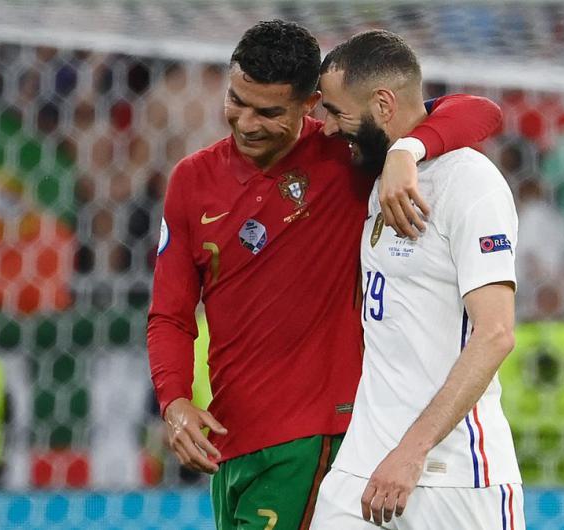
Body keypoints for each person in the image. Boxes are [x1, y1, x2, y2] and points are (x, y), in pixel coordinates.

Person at [147, 20, 503, 530]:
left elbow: (480, 112)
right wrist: (176, 400)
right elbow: (169, 315)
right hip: (232, 439)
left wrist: (408, 150)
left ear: (309, 104)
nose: (245, 123)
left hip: (316, 439)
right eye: (236, 101)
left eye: (268, 112)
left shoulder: (344, 156)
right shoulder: (192, 180)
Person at [311, 30, 524, 529]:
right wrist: (404, 152)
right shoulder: (380, 179)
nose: (326, 128)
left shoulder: (471, 183)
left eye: (337, 113)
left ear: (383, 104)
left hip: (455, 477)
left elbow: (495, 335)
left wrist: (412, 451)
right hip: (362, 467)